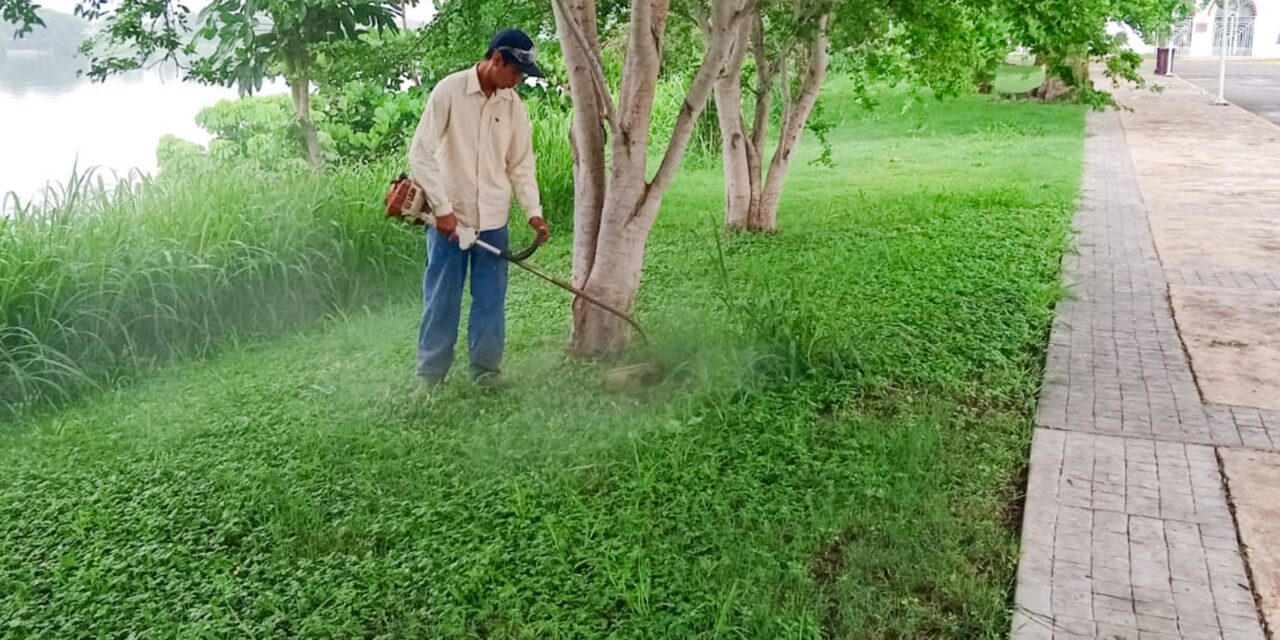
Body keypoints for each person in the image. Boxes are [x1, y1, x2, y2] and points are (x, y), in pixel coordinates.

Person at [408, 28, 550, 387]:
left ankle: (486, 372)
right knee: (442, 298)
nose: (517, 81)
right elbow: (420, 154)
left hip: (493, 220)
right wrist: (442, 209)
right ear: (496, 59)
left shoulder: (512, 105)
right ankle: (431, 375)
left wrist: (532, 211)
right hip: (449, 223)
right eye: (515, 72)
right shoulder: (450, 91)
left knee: (490, 300)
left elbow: (520, 163)